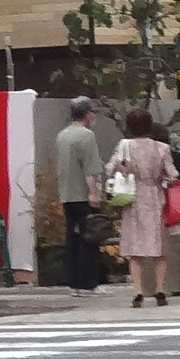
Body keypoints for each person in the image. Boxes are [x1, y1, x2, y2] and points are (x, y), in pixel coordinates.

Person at [107, 108, 178, 308]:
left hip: (132, 198)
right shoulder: (162, 148)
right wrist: (161, 180)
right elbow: (173, 174)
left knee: (135, 249)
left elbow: (109, 168)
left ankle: (138, 291)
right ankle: (160, 290)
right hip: (156, 198)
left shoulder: (125, 146)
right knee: (159, 248)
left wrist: (124, 168)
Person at [54, 96, 106, 297]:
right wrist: (94, 192)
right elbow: (90, 169)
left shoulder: (62, 135)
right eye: (93, 112)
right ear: (87, 114)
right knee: (89, 238)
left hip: (67, 194)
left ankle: (74, 282)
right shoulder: (86, 135)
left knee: (73, 238)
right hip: (83, 194)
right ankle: (88, 283)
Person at [151, 123, 180, 297]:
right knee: (175, 245)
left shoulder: (146, 155)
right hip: (174, 203)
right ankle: (177, 284)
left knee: (155, 245)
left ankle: (154, 284)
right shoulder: (173, 154)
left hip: (153, 202)